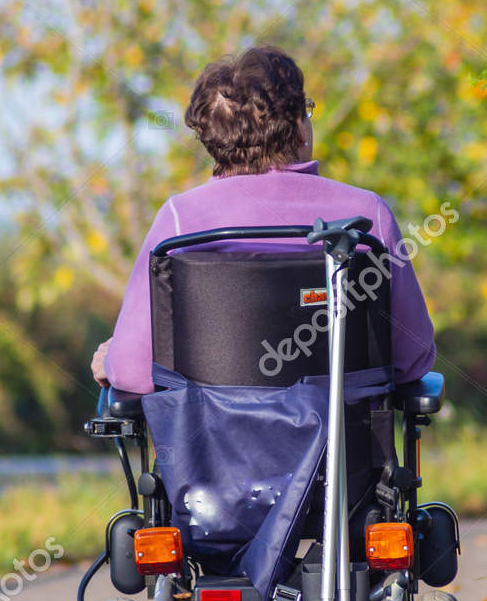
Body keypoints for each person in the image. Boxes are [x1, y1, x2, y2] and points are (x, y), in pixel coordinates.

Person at [91, 45, 436, 393]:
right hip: (345, 443)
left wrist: (110, 358)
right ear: (299, 127)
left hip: (213, 445)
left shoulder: (180, 222)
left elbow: (133, 372)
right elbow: (413, 358)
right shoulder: (366, 216)